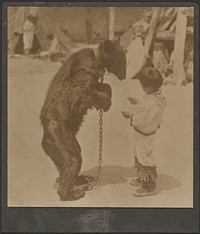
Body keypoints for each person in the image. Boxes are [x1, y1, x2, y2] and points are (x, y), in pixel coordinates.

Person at [122, 67, 166, 197]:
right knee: (139, 153)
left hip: (144, 133)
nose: (142, 88)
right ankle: (142, 177)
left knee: (145, 157)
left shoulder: (151, 103)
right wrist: (138, 102)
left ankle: (149, 186)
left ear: (147, 87)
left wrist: (130, 116)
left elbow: (142, 118)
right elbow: (147, 105)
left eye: (143, 85)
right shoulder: (156, 95)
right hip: (144, 132)